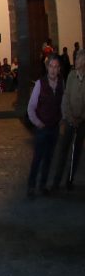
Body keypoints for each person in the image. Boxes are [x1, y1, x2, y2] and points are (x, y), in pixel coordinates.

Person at [27, 55, 64, 197]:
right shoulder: (40, 84)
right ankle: (31, 186)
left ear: (59, 69)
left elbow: (62, 103)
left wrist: (61, 118)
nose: (53, 70)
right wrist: (38, 123)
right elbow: (31, 107)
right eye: (51, 66)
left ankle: (43, 185)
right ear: (47, 68)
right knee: (38, 158)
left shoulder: (61, 83)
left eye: (56, 67)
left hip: (54, 127)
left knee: (49, 158)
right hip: (42, 128)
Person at [54, 50, 85, 190]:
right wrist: (69, 116)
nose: (76, 61)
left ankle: (70, 180)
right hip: (70, 120)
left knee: (76, 151)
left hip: (82, 121)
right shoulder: (72, 75)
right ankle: (57, 181)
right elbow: (66, 96)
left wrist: (81, 117)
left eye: (78, 59)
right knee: (63, 150)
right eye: (76, 58)